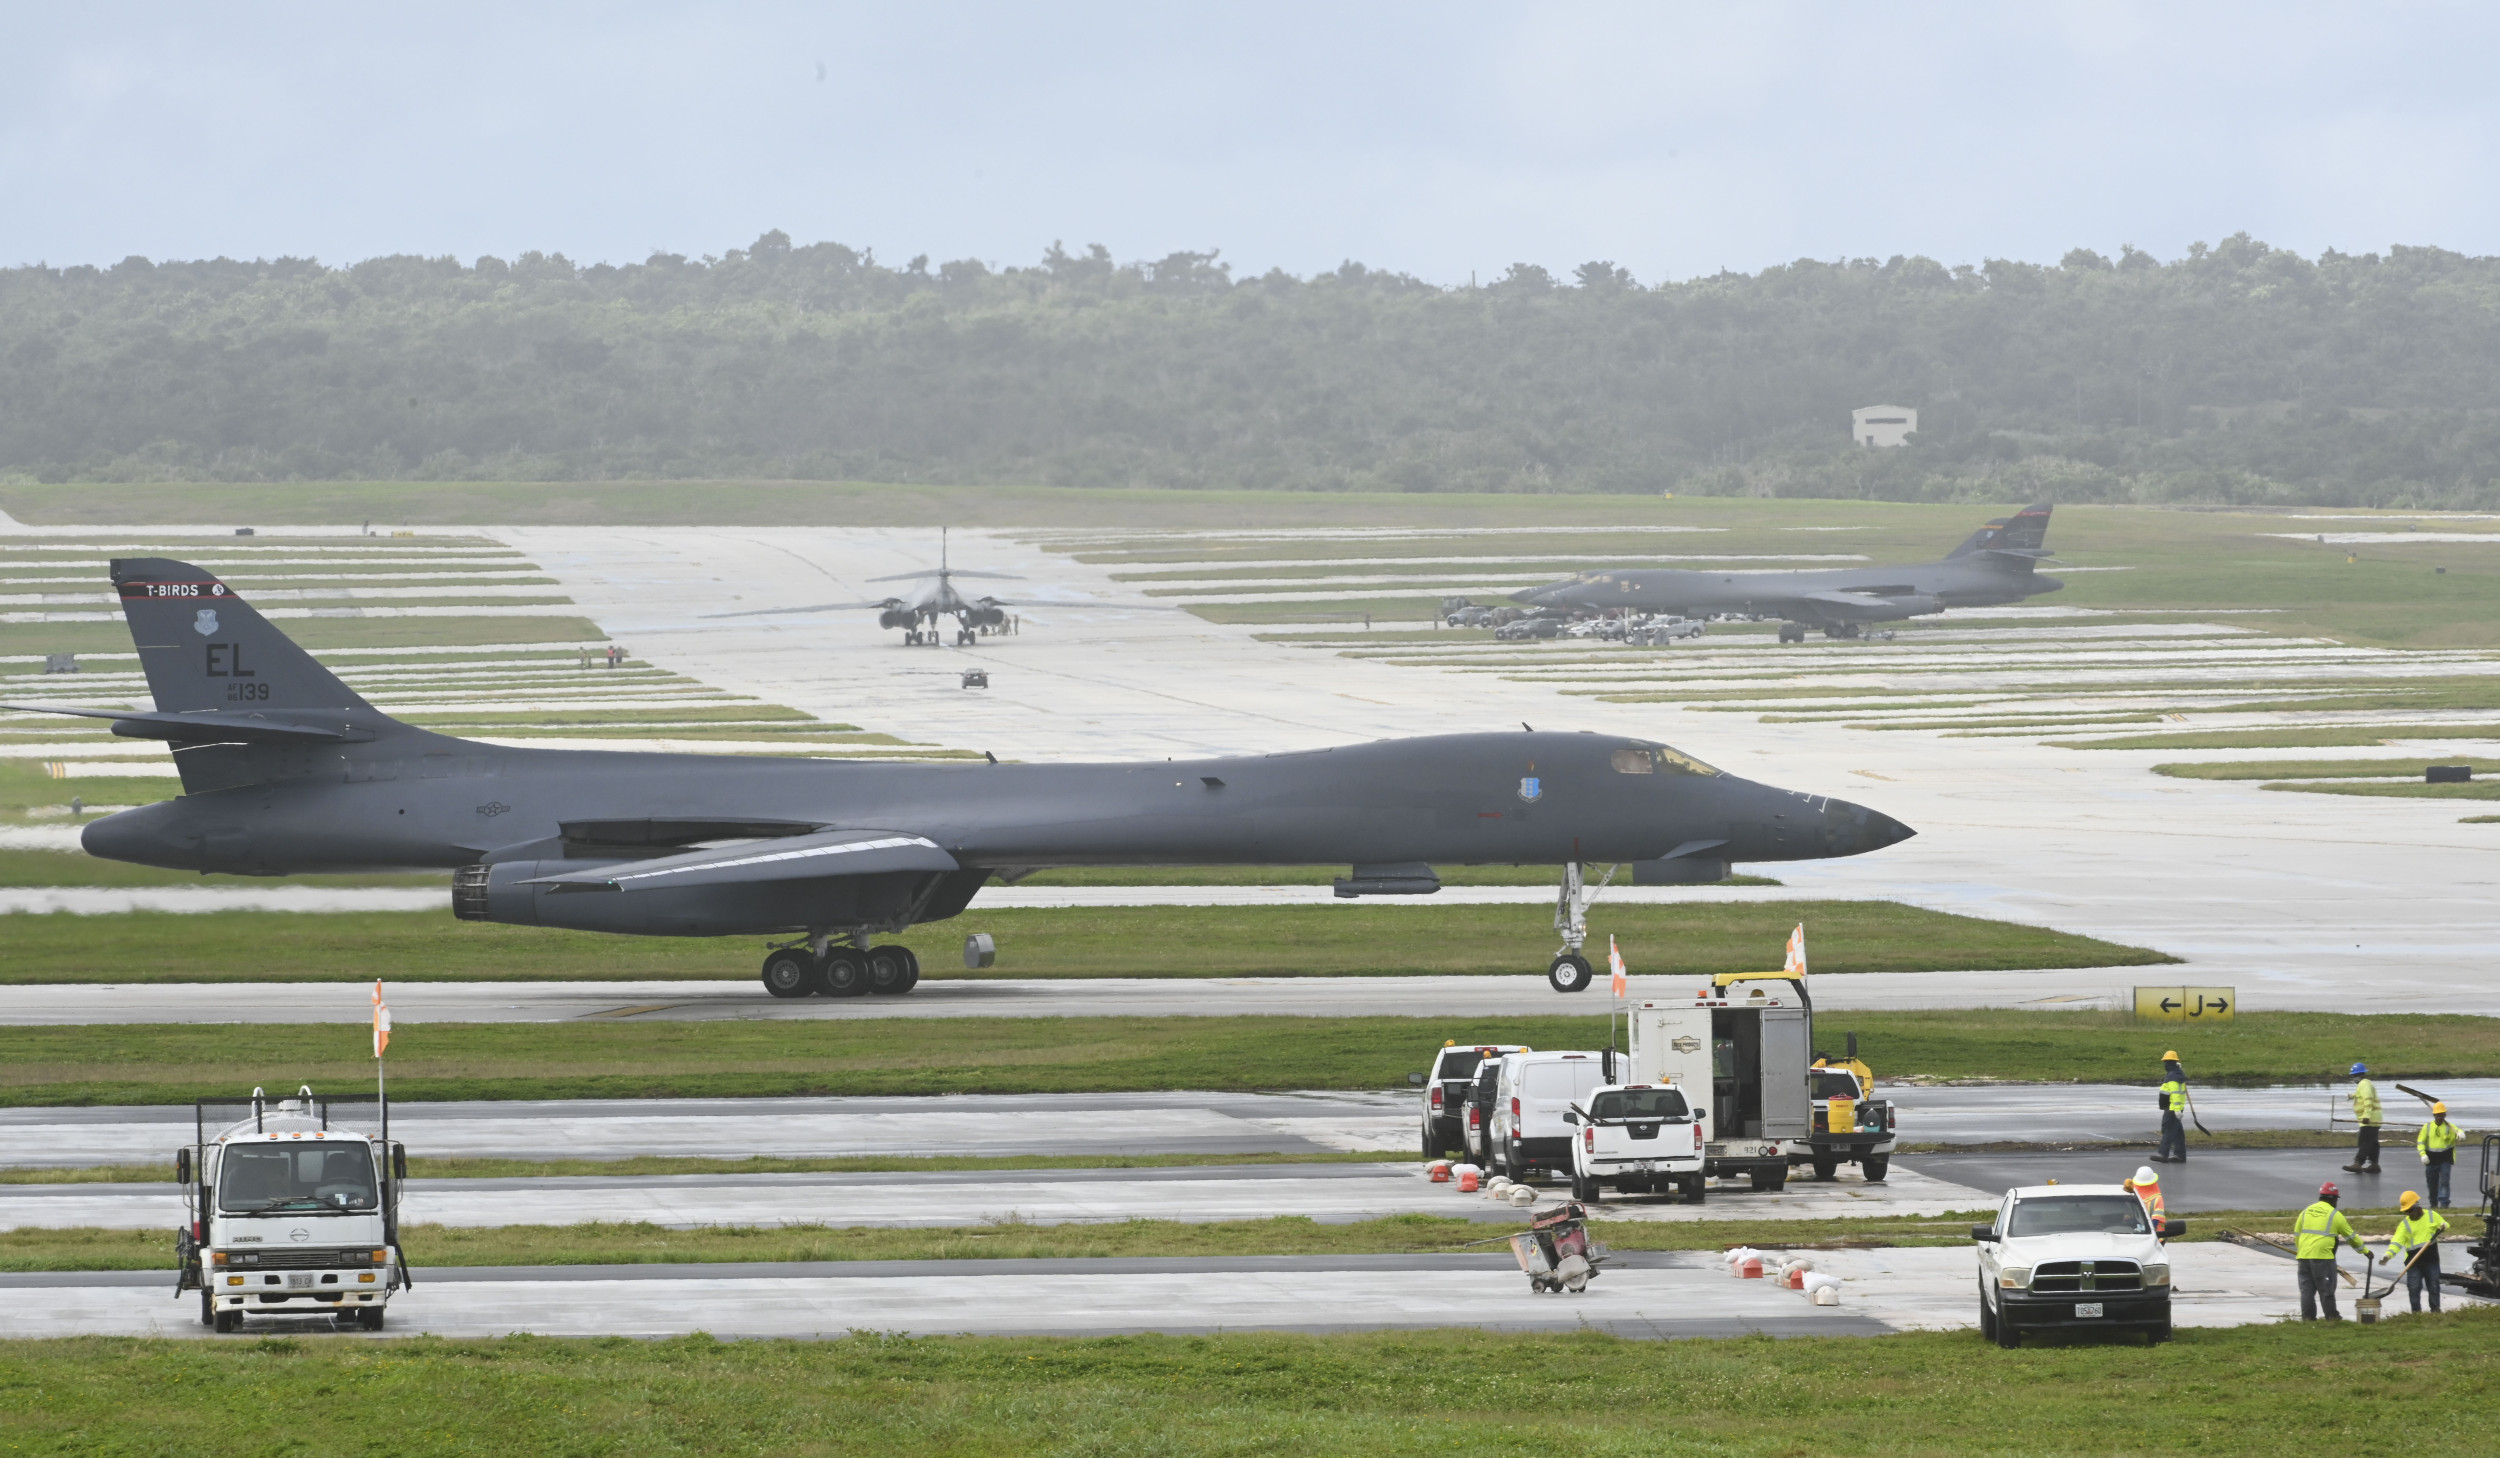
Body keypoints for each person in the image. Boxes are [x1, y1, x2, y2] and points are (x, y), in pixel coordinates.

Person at [2293, 1181, 2366, 1321]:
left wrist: (2301, 1250)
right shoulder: (2334, 1215)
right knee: (2326, 1289)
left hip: (2303, 1257)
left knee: (2306, 1290)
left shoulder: (2306, 1211)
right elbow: (2351, 1237)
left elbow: (2297, 1234)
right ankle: (2332, 1317)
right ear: (2333, 1199)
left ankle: (2308, 1319)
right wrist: (2364, 1251)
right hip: (2323, 1258)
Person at [2380, 1189, 2450, 1314]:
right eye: (2406, 1211)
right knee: (2413, 1288)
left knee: (2434, 1286)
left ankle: (2435, 1312)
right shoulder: (2405, 1224)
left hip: (2431, 1260)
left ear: (2417, 1207)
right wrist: (2388, 1255)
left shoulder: (2431, 1215)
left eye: (2410, 1210)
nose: (2409, 1213)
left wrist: (2443, 1226)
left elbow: (2444, 1223)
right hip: (2413, 1263)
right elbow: (2396, 1242)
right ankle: (2416, 1314)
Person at [2417, 1102, 2463, 1208]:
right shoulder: (2427, 1127)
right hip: (2431, 1160)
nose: (2440, 1117)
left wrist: (2461, 1135)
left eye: (2442, 1115)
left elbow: (2458, 1131)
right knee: (2432, 1183)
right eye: (2438, 1115)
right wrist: (2423, 1155)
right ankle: (2433, 1204)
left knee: (2444, 1181)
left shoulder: (2449, 1127)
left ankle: (2444, 1204)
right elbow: (2420, 1143)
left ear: (2445, 1115)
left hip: (2445, 1159)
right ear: (2434, 1115)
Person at [2343, 1063, 2382, 1174]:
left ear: (2360, 1074)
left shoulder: (2364, 1084)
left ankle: (2358, 1163)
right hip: (2375, 1118)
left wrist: (2366, 1116)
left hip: (2369, 1120)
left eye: (2354, 1075)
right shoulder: (2365, 1084)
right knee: (2373, 1142)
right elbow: (2361, 1095)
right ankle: (2374, 1164)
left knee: (2365, 1142)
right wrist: (2352, 1096)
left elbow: (2368, 1100)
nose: (2353, 1078)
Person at [2154, 1052, 2188, 1163]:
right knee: (2177, 1132)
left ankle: (2163, 1154)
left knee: (2168, 1130)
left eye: (2166, 1062)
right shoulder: (2176, 1074)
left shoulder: (2173, 1076)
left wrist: (2177, 1109)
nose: (2164, 1064)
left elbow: (2175, 1093)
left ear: (2169, 1062)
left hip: (2172, 1108)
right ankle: (2180, 1155)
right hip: (2173, 1107)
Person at [2124, 1164, 2166, 1234]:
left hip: (2141, 1234)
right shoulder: (2157, 1199)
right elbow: (2156, 1219)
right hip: (2155, 1235)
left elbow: (2127, 1218)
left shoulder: (2133, 1196)